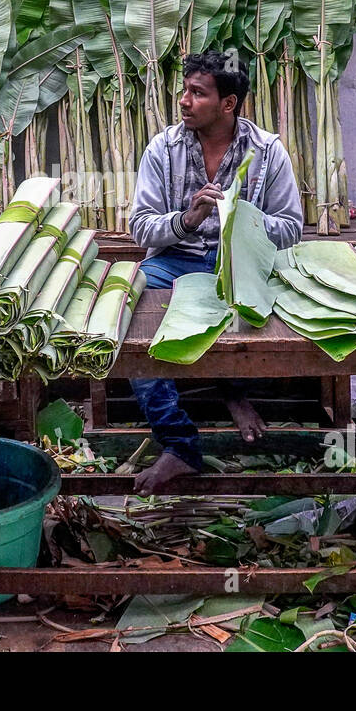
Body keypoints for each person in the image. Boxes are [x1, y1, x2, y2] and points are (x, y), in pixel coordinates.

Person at [128, 50, 304, 493]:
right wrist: (186, 220)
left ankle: (233, 392)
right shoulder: (162, 148)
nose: (184, 101)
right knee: (133, 333)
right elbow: (138, 226)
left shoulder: (267, 151)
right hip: (172, 262)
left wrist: (239, 215)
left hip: (240, 261)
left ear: (228, 104)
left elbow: (291, 227)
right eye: (184, 91)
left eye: (197, 93)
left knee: (261, 314)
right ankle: (179, 445)